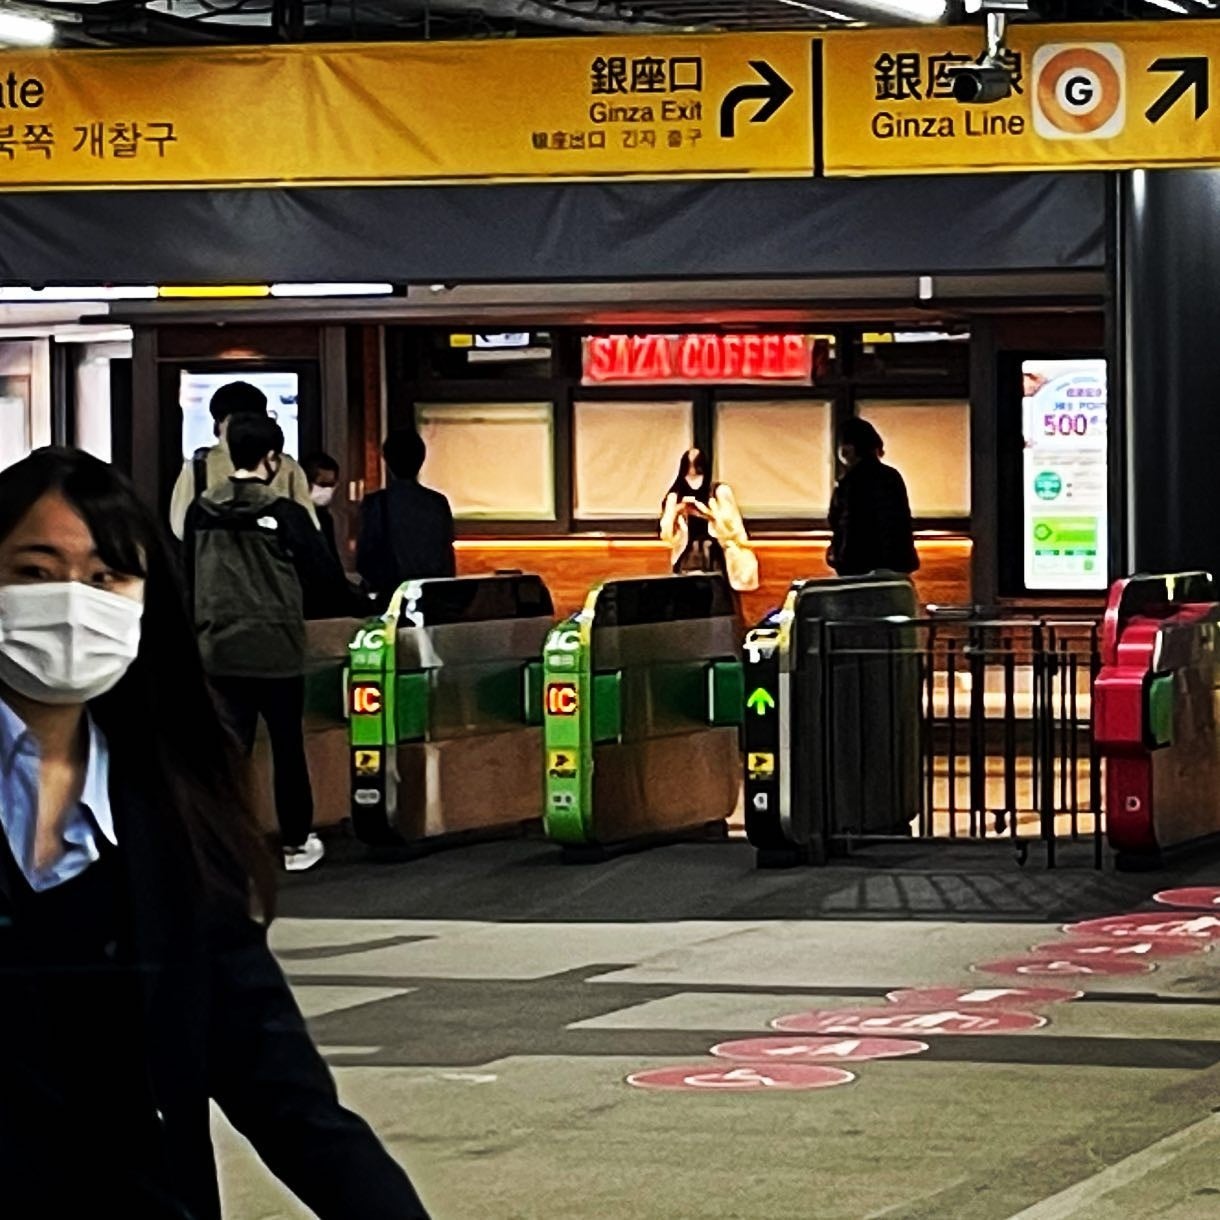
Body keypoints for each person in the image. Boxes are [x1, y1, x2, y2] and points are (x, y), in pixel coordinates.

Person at [0, 446, 429, 1218]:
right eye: (33, 572)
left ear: (144, 600)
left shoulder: (177, 817)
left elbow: (279, 1088)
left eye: (105, 578)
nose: (71, 602)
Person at [184, 415, 352, 872]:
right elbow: (325, 579)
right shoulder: (285, 514)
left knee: (229, 751)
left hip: (218, 646)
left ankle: (223, 842)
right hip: (275, 646)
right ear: (272, 458)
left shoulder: (201, 510)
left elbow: (188, 574)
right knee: (286, 746)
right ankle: (295, 843)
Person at [169, 380, 317, 541]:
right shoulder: (285, 466)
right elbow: (309, 527)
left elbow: (180, 527)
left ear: (219, 421)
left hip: (216, 562)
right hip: (273, 563)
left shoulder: (199, 465)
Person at [357, 429, 455, 605]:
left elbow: (365, 558)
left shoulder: (376, 503)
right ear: (422, 459)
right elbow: (446, 555)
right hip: (432, 597)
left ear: (386, 460)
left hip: (392, 597)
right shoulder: (438, 503)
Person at [827, 417, 920, 577]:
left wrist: (838, 556)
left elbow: (844, 524)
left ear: (848, 449)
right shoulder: (891, 477)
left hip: (857, 566)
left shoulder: (851, 482)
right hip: (894, 566)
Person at [659, 447, 758, 591]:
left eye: (697, 466)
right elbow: (666, 534)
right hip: (686, 552)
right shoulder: (675, 495)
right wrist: (678, 511)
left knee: (716, 594)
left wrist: (707, 514)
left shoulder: (718, 492)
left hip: (715, 552)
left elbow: (732, 528)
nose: (692, 472)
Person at [303, 450, 343, 568]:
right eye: (323, 484)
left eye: (332, 485)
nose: (328, 490)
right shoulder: (294, 517)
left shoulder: (325, 518)